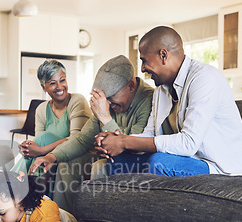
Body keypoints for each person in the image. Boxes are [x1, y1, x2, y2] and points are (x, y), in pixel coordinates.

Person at [95, 26, 242, 176]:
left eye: (144, 60)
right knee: (116, 163)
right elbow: (148, 135)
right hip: (188, 161)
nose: (142, 69)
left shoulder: (205, 78)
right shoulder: (160, 91)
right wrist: (114, 141)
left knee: (158, 163)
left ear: (163, 55)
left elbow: (188, 143)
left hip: (222, 169)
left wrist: (125, 141)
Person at [29, 55, 154, 211]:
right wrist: (51, 156)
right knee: (66, 165)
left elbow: (133, 149)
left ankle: (94, 220)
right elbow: (82, 140)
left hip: (135, 161)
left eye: (111, 97)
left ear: (130, 86)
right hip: (104, 157)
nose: (107, 103)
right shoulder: (111, 102)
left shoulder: (149, 99)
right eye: (104, 98)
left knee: (99, 167)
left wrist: (105, 117)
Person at [11, 59, 91, 179]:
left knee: (45, 137)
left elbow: (76, 140)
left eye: (62, 80)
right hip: (49, 157)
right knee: (40, 142)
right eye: (53, 83)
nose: (59, 87)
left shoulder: (77, 101)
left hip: (75, 153)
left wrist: (41, 150)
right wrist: (28, 147)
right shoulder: (42, 109)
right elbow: (37, 142)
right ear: (44, 87)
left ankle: (13, 180)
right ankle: (22, 185)